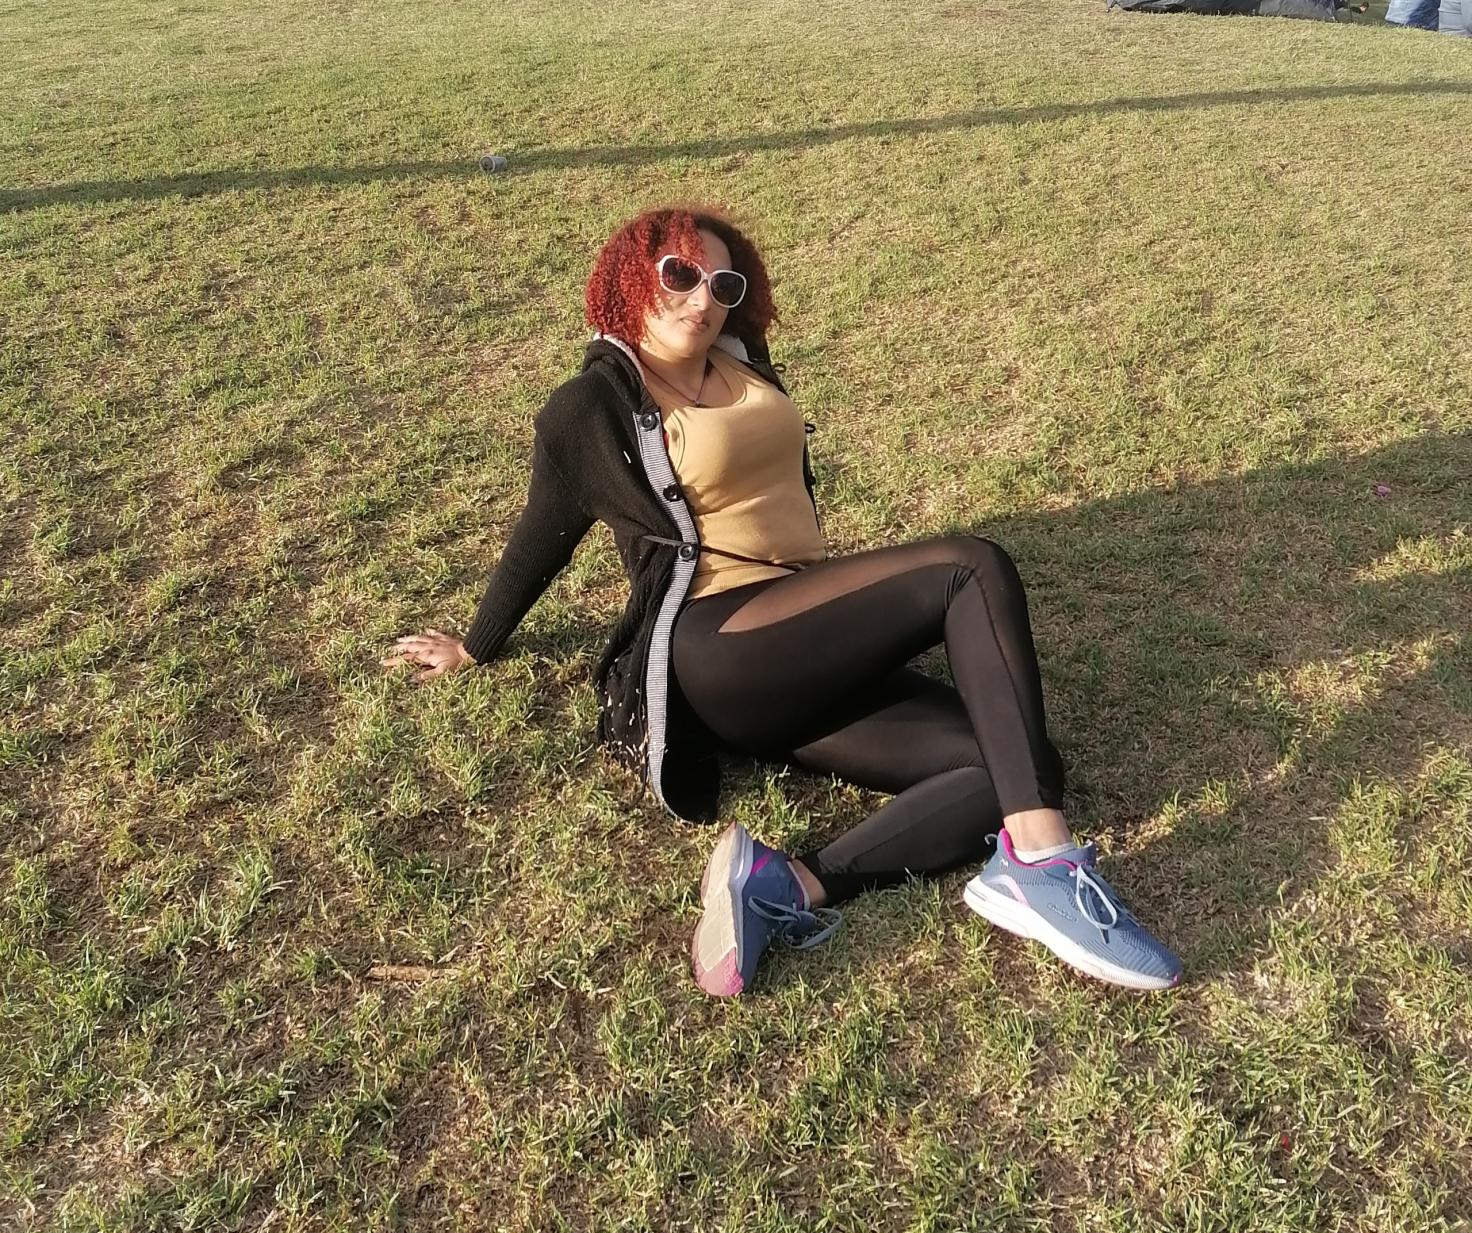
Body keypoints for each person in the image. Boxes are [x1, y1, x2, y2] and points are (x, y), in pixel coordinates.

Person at [384, 208, 1183, 997]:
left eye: (722, 285)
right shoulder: (590, 406)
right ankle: (1043, 863)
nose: (703, 299)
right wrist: (475, 644)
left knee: (1021, 766)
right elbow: (542, 536)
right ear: (631, 278)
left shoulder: (740, 359)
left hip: (803, 647)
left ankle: (787, 885)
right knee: (969, 568)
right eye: (680, 275)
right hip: (719, 644)